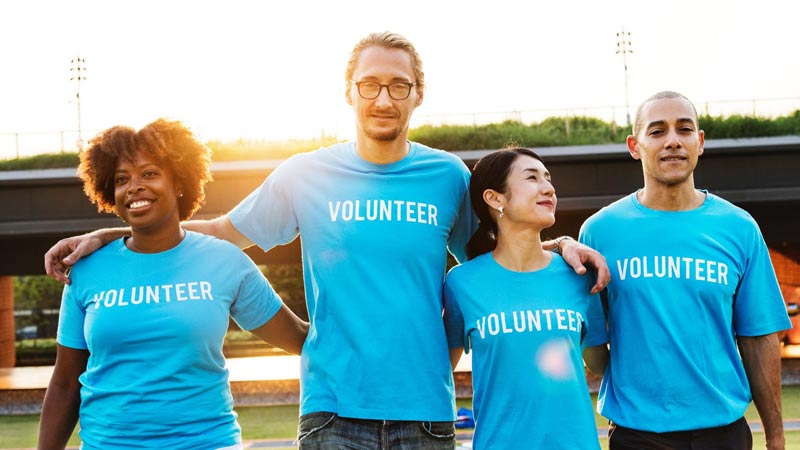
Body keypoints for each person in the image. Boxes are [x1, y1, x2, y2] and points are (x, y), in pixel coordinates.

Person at [44, 32, 609, 449]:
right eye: (370, 85)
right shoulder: (303, 174)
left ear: (418, 96)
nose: (383, 99)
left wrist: (558, 246)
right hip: (331, 414)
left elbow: (501, 261)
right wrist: (115, 232)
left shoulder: (449, 178)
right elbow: (217, 234)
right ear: (348, 92)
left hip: (428, 412)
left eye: (398, 86)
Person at [37, 119, 309, 450]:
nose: (134, 186)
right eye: (122, 179)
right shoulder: (86, 270)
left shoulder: (225, 262)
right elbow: (65, 384)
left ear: (179, 182)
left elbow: (300, 338)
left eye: (149, 173)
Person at [579, 91, 791, 450]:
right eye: (657, 131)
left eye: (684, 129)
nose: (673, 141)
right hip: (637, 436)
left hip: (723, 433)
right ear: (635, 145)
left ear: (700, 142)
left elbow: (759, 338)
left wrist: (775, 436)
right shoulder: (599, 231)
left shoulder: (739, 227)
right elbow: (595, 350)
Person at [444, 148, 608, 450]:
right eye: (532, 178)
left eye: (548, 178)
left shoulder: (579, 274)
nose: (548, 187)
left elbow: (600, 363)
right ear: (495, 199)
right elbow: (440, 371)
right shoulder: (461, 283)